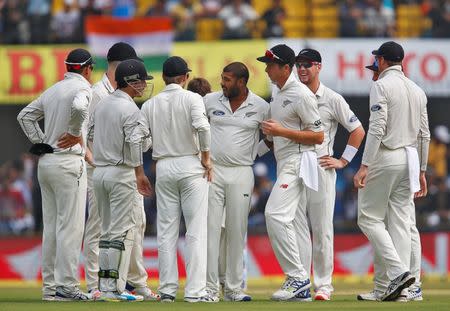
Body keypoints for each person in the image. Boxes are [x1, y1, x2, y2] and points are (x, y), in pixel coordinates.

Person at [354, 41, 430, 301]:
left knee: (368, 218)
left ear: (383, 61)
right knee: (399, 223)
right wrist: (421, 170)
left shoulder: (380, 85)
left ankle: (398, 274)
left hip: (386, 156)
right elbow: (424, 134)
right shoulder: (417, 89)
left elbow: (377, 127)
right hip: (409, 158)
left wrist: (364, 165)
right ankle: (401, 288)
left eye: (376, 59)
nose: (375, 63)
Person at [83, 42, 159, 301]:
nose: (143, 85)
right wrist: (139, 172)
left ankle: (108, 286)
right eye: (141, 81)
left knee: (110, 231)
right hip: (120, 172)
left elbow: (90, 133)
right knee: (121, 232)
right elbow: (138, 143)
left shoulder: (105, 103)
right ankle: (113, 288)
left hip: (102, 171)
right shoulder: (128, 108)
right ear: (131, 81)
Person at [17, 48, 94, 301]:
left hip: (46, 163)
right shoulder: (83, 89)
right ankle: (67, 287)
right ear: (87, 69)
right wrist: (74, 131)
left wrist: (42, 143)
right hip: (68, 163)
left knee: (50, 228)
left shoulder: (53, 89)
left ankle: (50, 288)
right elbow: (80, 107)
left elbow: (25, 116)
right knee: (70, 228)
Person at [140, 56, 214, 303]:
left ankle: (168, 290)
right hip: (191, 165)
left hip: (164, 167)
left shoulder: (150, 104)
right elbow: (203, 128)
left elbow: (142, 140)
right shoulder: (193, 98)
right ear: (185, 78)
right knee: (195, 231)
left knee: (166, 231)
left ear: (163, 77)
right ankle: (195, 292)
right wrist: (206, 157)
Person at [294, 48, 365, 301]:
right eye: (298, 65)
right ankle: (299, 281)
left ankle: (323, 285)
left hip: (321, 166)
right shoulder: (290, 94)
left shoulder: (332, 98)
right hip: (294, 165)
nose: (302, 69)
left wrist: (343, 160)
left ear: (319, 67)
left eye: (307, 65)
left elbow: (357, 130)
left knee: (321, 227)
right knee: (295, 225)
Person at [256, 44, 324, 301]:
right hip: (284, 160)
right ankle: (302, 286)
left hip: (299, 160)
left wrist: (280, 131)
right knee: (295, 222)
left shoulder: (301, 95)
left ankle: (297, 277)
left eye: (271, 65)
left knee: (273, 214)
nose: (266, 68)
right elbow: (276, 135)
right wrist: (256, 151)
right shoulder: (277, 90)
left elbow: (318, 135)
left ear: (287, 68)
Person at [204, 62, 269, 302]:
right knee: (210, 230)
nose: (222, 83)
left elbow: (271, 139)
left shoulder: (261, 107)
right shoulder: (210, 101)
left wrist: (252, 155)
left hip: (242, 172)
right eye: (222, 78)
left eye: (228, 79)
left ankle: (232, 289)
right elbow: (196, 129)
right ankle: (210, 290)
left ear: (241, 82)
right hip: (214, 171)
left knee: (236, 231)